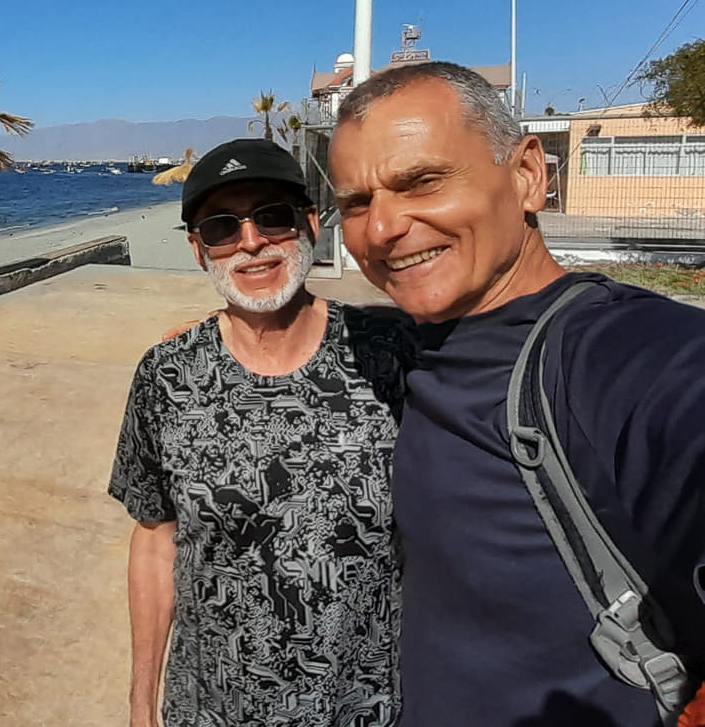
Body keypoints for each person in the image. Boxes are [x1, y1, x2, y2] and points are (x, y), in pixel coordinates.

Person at [329, 61, 705, 726]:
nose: (382, 229)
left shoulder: (618, 354)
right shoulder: (417, 341)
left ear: (528, 174)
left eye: (422, 181)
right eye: (357, 202)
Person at [108, 138, 415, 727]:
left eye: (271, 217)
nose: (250, 243)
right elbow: (154, 537)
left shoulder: (391, 349)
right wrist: (141, 702)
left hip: (367, 705)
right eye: (221, 228)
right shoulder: (168, 375)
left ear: (311, 224)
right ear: (200, 251)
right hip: (211, 708)